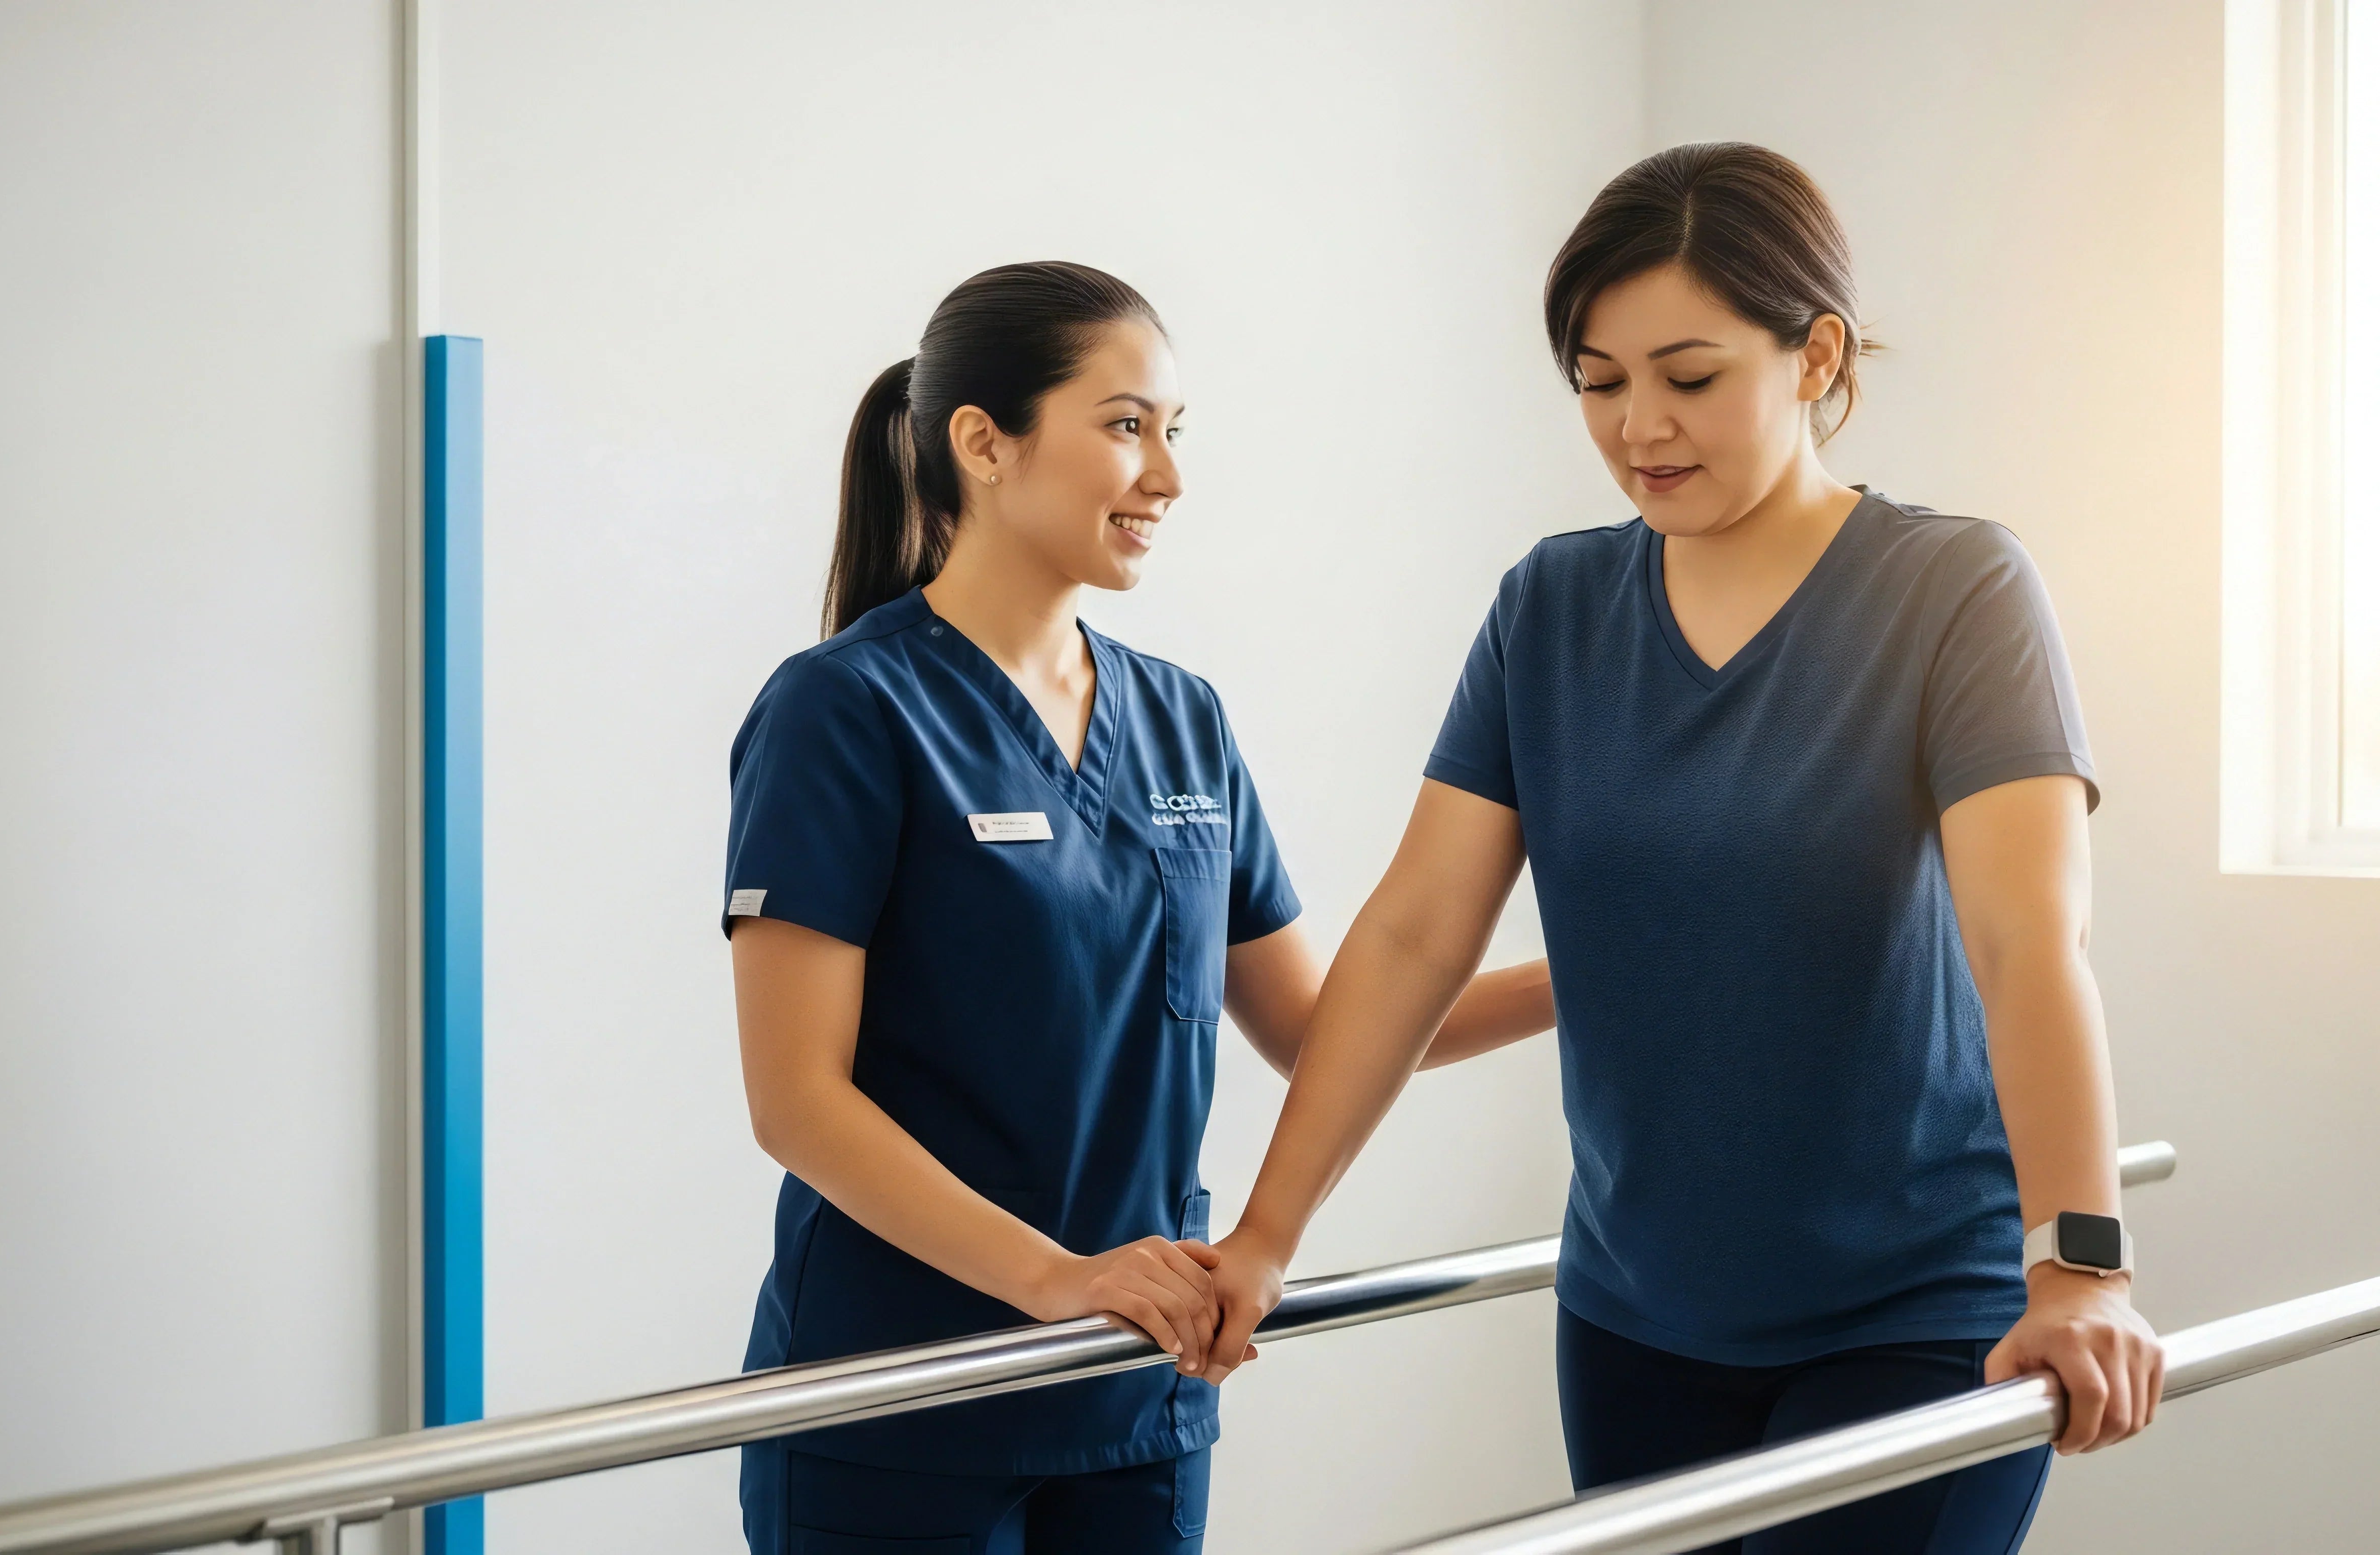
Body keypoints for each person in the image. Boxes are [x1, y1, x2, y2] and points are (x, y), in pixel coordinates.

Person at [1197, 145, 2161, 1554]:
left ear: (1815, 352)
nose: (1640, 424)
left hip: (1914, 1316)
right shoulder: (1552, 607)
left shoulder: (1955, 589)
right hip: (1636, 1326)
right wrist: (1265, 1242)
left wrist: (2079, 1269)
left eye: (1690, 378)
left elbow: (2029, 948)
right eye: (1600, 382)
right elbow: (1413, 937)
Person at [722, 261, 1551, 1555]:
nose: (1166, 474)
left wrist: (1598, 972)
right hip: (898, 1405)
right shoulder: (843, 712)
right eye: (1124, 426)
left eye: (1174, 432)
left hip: (1134, 1397)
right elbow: (796, 1101)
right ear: (983, 445)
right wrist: (1057, 1280)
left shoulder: (1183, 720)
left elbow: (1325, 1029)